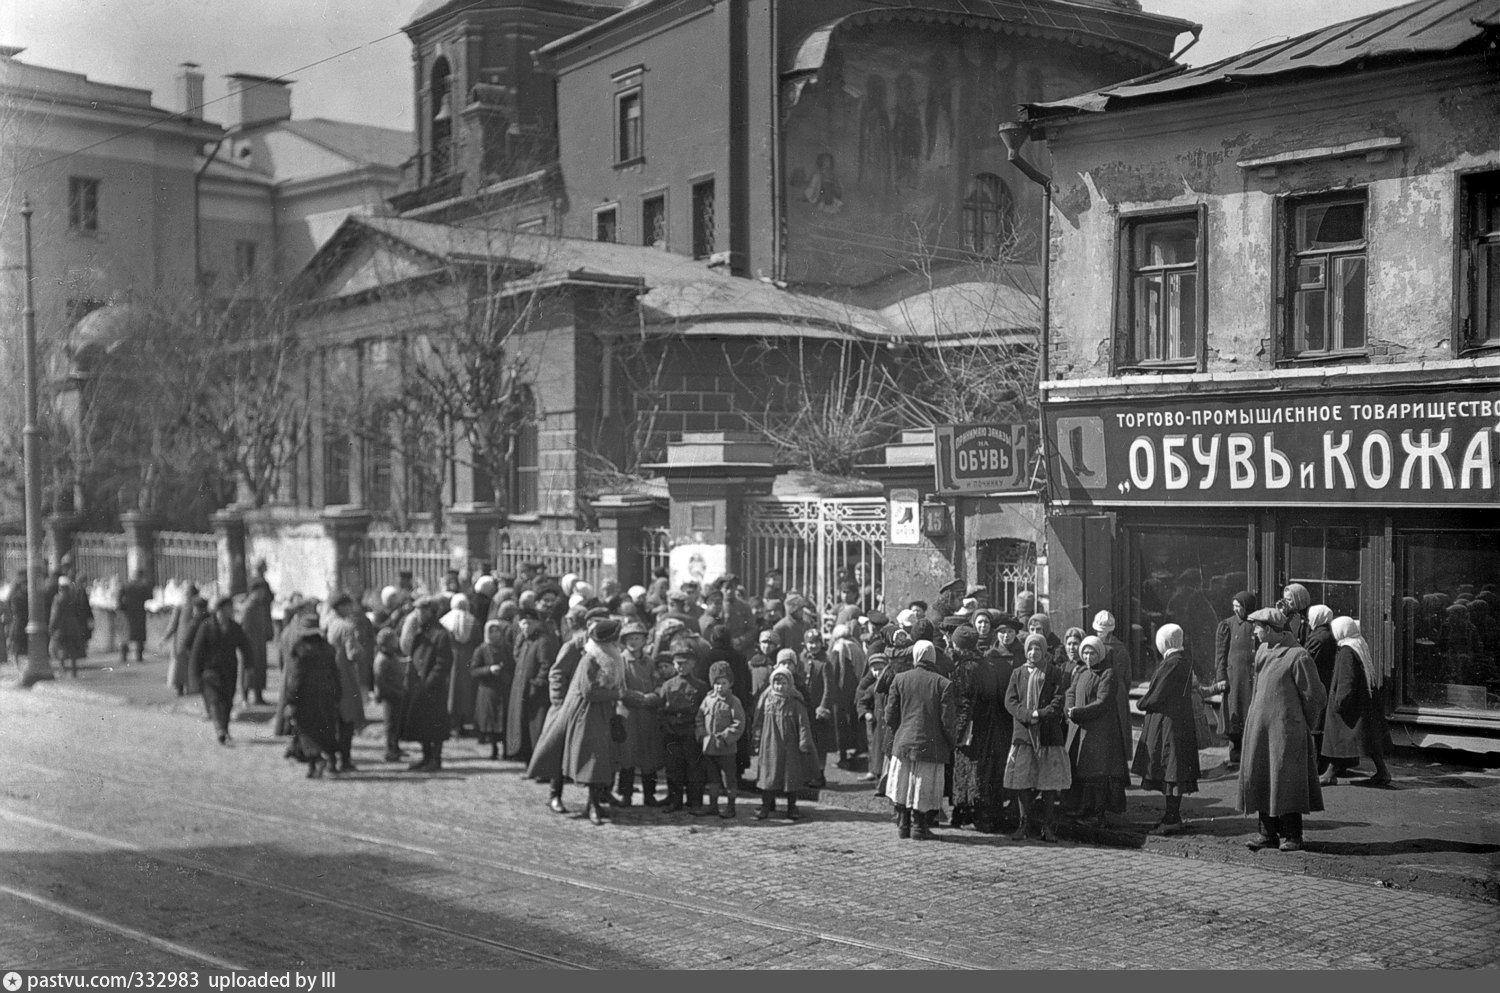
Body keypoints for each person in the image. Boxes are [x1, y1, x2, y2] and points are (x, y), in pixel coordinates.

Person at [1239, 606, 1327, 853]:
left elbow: (1317, 697)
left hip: (1286, 732)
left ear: (1268, 629)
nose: (1254, 632)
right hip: (1261, 730)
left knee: (1286, 781)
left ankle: (1292, 835)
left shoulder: (1298, 656)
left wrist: (1299, 723)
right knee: (1263, 777)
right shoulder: (1262, 652)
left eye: (1256, 628)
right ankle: (1267, 833)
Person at [883, 639, 957, 840]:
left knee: (902, 784)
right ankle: (919, 827)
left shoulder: (900, 679)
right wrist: (952, 743)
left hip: (903, 742)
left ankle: (903, 825)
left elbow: (890, 716)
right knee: (922, 786)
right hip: (931, 745)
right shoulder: (943, 683)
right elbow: (947, 721)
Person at [560, 619, 630, 825]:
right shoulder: (589, 660)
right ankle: (592, 806)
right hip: (589, 715)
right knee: (593, 759)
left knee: (603, 759)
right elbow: (588, 691)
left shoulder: (610, 655)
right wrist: (615, 693)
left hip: (604, 713)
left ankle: (596, 803)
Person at [1132, 625, 1200, 835]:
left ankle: (1172, 818)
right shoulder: (1182, 660)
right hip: (1176, 722)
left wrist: (1141, 703)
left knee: (1171, 769)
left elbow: (1157, 694)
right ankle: (1172, 816)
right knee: (1173, 769)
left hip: (1169, 724)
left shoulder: (1172, 663)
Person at [1003, 632, 1070, 842]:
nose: (1033, 653)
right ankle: (1023, 824)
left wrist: (1039, 715)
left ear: (1044, 651)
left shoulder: (1054, 672)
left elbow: (1059, 700)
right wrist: (1026, 715)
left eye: (1038, 649)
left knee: (1047, 781)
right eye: (1030, 649)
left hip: (1048, 734)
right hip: (1024, 734)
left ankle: (1047, 826)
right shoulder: (1017, 673)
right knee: (1023, 780)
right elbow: (1010, 701)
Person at [1064, 635, 1131, 828]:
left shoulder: (1108, 673)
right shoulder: (1082, 671)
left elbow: (1103, 701)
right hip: (1080, 728)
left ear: (1100, 653)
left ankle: (1098, 813)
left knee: (1098, 772)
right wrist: (1069, 710)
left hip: (1100, 731)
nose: (1088, 656)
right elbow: (1070, 691)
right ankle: (1083, 807)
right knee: (1081, 770)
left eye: (1092, 652)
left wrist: (1079, 712)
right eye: (1085, 651)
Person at [948, 625, 1009, 833]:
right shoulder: (986, 664)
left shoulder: (965, 668)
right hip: (987, 725)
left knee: (969, 768)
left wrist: (958, 732)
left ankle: (969, 812)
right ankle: (977, 812)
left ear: (959, 645)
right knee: (982, 768)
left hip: (971, 728)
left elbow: (965, 703)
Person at [1320, 616, 1393, 787]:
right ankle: (1383, 772)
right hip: (1363, 703)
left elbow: (1347, 680)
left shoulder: (1346, 651)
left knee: (1338, 739)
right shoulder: (1359, 644)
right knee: (1367, 741)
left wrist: (1339, 702)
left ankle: (1330, 774)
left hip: (1349, 706)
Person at [750, 663, 817, 821]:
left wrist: (804, 741)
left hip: (790, 745)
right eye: (777, 683)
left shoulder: (795, 702)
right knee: (769, 774)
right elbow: (758, 720)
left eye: (783, 683)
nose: (780, 687)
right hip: (770, 743)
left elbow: (803, 723)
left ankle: (792, 806)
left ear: (790, 683)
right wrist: (757, 737)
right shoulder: (767, 699)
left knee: (790, 775)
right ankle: (766, 805)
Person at [190, 596, 254, 745]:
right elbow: (196, 651)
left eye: (230, 609)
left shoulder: (234, 628)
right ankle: (220, 729)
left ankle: (224, 729)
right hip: (210, 671)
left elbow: (246, 647)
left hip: (229, 670)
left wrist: (249, 667)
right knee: (214, 701)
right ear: (219, 610)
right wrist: (195, 674)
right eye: (227, 609)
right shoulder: (206, 627)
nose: (230, 612)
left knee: (227, 701)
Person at [282, 621, 342, 778]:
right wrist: (337, 695)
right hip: (326, 696)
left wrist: (291, 700)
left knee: (307, 733)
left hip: (305, 699)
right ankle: (331, 760)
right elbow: (335, 674)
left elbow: (296, 679)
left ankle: (313, 763)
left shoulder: (301, 650)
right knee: (327, 729)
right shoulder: (328, 649)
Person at [402, 596, 454, 772]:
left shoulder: (440, 634)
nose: (419, 614)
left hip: (433, 687)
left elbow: (443, 662)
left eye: (423, 610)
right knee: (422, 724)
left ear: (431, 612)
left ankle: (435, 758)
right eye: (417, 610)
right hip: (419, 685)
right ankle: (426, 756)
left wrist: (430, 681)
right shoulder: (421, 632)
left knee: (435, 725)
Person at [615, 621, 665, 806]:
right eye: (630, 638)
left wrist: (655, 696)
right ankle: (626, 795)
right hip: (628, 714)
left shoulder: (650, 661)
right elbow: (619, 688)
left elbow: (659, 683)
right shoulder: (621, 661)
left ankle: (649, 795)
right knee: (627, 755)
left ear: (645, 640)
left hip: (647, 716)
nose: (634, 642)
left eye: (637, 638)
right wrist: (640, 698)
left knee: (648, 756)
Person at [658, 648, 709, 813]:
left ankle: (695, 802)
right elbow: (660, 709)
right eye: (678, 663)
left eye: (685, 663)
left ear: (693, 664)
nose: (681, 667)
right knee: (673, 768)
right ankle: (675, 801)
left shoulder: (700, 686)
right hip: (672, 731)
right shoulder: (668, 685)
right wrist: (666, 725)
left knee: (694, 769)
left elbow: (705, 710)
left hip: (691, 732)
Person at [1213, 591, 1259, 768]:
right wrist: (1221, 677)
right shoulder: (1227, 625)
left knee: (1250, 711)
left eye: (1239, 606)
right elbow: (1220, 655)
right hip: (1235, 679)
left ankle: (1251, 752)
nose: (1235, 609)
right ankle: (1235, 750)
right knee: (1235, 711)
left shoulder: (1257, 624)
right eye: (1234, 606)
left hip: (1252, 677)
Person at [695, 659, 746, 818]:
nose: (719, 687)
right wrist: (702, 733)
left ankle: (731, 807)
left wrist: (724, 738)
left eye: (723, 683)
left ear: (730, 683)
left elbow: (738, 723)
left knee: (728, 779)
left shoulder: (733, 702)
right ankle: (713, 805)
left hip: (726, 749)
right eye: (716, 683)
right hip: (709, 747)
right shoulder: (708, 700)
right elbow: (699, 718)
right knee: (713, 778)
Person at [505, 606, 554, 761]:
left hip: (534, 692)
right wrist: (519, 640)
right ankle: (526, 759)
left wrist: (536, 684)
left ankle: (539, 764)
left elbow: (546, 665)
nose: (526, 627)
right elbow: (517, 657)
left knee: (536, 728)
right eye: (523, 623)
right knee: (523, 726)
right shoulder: (525, 641)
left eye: (529, 623)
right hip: (521, 690)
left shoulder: (542, 641)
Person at [325, 593, 367, 772]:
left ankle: (331, 760)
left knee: (333, 721)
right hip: (345, 676)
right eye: (348, 605)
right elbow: (352, 654)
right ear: (341, 607)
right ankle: (345, 759)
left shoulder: (328, 624)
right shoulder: (347, 627)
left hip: (329, 675)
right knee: (347, 719)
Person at [1303, 604, 1339, 780]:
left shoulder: (1318, 637)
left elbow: (1306, 658)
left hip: (1318, 681)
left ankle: (1316, 766)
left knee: (1317, 726)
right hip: (1327, 681)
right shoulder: (1330, 633)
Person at [472, 618, 514, 760]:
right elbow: (474, 670)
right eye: (492, 632)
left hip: (504, 688)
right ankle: (494, 748)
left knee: (504, 720)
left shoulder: (507, 648)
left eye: (497, 631)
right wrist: (488, 670)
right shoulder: (481, 649)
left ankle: (507, 750)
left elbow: (512, 665)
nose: (495, 634)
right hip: (488, 689)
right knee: (491, 721)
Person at [442, 594, 481, 737]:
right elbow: (478, 639)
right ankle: (463, 722)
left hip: (451, 657)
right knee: (466, 690)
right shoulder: (473, 620)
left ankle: (452, 722)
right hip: (468, 658)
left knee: (452, 689)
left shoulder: (445, 620)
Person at [371, 626, 407, 762]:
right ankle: (389, 750)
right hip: (390, 695)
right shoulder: (382, 659)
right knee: (390, 725)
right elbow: (379, 679)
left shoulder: (392, 656)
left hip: (397, 693)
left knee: (396, 723)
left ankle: (395, 747)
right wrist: (385, 693)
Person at [48, 574, 92, 678]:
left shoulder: (58, 598)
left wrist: (51, 626)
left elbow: (55, 614)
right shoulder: (73, 597)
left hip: (61, 627)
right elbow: (79, 612)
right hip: (73, 626)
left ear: (60, 587)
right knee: (72, 650)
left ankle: (62, 669)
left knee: (62, 648)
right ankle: (74, 671)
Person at [239, 575, 274, 705]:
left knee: (260, 669)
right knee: (248, 670)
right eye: (260, 591)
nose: (262, 594)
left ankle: (258, 696)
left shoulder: (261, 606)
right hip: (249, 644)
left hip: (260, 643)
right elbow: (243, 628)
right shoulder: (248, 607)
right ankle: (245, 697)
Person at [163, 588, 204, 695]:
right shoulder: (183, 608)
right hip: (184, 640)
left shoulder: (194, 608)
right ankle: (183, 687)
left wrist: (165, 638)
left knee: (184, 664)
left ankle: (185, 687)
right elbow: (173, 626)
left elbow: (172, 626)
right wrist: (165, 638)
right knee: (183, 664)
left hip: (188, 640)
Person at [116, 568, 151, 664]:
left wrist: (122, 608)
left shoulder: (126, 585)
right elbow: (149, 597)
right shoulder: (143, 587)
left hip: (127, 613)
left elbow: (119, 600)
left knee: (125, 634)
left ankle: (123, 656)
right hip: (139, 613)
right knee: (139, 636)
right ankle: (139, 656)